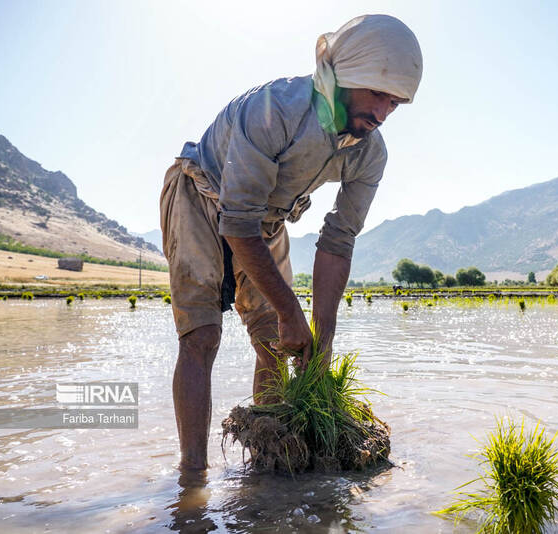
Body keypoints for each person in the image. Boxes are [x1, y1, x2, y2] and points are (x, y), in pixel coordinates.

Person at [159, 14, 423, 470]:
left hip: (265, 222)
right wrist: (291, 310)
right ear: (345, 75)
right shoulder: (276, 109)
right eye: (377, 94)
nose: (382, 115)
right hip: (201, 194)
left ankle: (266, 463)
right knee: (201, 336)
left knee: (278, 343)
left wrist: (322, 337)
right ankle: (192, 478)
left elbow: (338, 240)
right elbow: (235, 221)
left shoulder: (369, 152)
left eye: (395, 103)